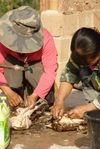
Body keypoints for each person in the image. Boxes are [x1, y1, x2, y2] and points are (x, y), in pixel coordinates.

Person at [0, 6, 57, 108]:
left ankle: (37, 95)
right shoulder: (3, 37)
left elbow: (49, 72)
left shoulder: (46, 39)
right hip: (12, 66)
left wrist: (35, 96)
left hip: (35, 66)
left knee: (44, 102)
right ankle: (16, 94)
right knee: (9, 103)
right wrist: (7, 91)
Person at [51, 27, 100, 119]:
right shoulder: (79, 55)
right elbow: (69, 74)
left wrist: (89, 108)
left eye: (92, 62)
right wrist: (59, 100)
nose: (89, 66)